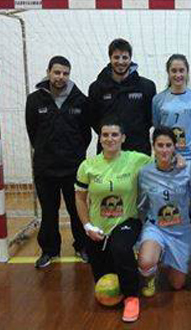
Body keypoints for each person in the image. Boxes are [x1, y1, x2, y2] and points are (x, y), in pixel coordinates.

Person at [75, 115, 152, 322]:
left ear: (123, 138)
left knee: (120, 248)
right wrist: (87, 226)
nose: (110, 139)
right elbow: (80, 199)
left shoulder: (137, 159)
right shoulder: (88, 166)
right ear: (99, 139)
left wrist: (177, 159)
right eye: (105, 135)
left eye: (114, 135)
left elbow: (163, 159)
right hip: (97, 226)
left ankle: (132, 298)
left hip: (127, 221)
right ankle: (128, 282)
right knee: (105, 278)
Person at [25, 56, 91, 269]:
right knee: (49, 212)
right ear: (49, 72)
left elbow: (86, 135)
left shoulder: (80, 99)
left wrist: (74, 152)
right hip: (46, 169)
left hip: (74, 168)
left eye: (65, 73)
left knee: (77, 210)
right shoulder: (35, 100)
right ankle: (49, 251)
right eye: (57, 72)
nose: (61, 77)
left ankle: (82, 246)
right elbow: (32, 132)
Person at [137, 126, 191, 298]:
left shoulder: (188, 169)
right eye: (160, 145)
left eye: (169, 145)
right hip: (157, 228)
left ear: (175, 147)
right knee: (146, 262)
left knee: (177, 285)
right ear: (153, 146)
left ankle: (168, 256)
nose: (164, 149)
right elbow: (141, 206)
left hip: (181, 230)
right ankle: (151, 271)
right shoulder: (144, 173)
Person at [88, 38, 156, 155]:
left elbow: (151, 118)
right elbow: (93, 120)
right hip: (108, 151)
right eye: (116, 57)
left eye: (124, 57)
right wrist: (112, 136)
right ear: (110, 58)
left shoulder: (146, 86)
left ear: (130, 59)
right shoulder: (96, 88)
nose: (120, 62)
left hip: (138, 150)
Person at [152, 54, 191, 161]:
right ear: (168, 72)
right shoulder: (158, 99)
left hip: (190, 156)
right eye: (174, 71)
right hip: (166, 156)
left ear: (187, 72)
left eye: (181, 70)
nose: (178, 74)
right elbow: (157, 125)